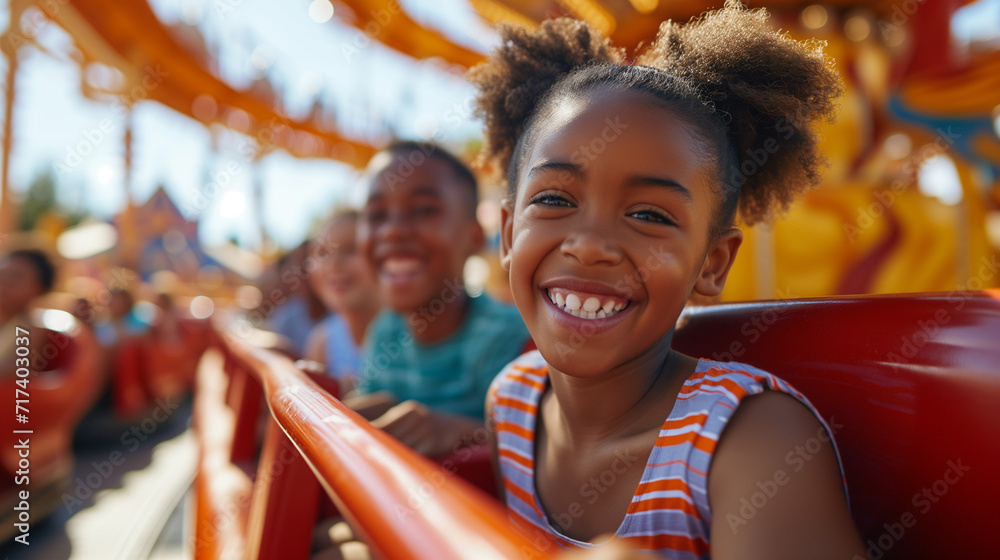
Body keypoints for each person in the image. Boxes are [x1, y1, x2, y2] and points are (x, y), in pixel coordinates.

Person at [470, 4, 865, 558]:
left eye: (650, 215)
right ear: (509, 236)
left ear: (712, 264)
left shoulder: (753, 442)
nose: (589, 244)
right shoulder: (509, 405)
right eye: (555, 199)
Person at [346, 141, 532, 459]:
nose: (392, 232)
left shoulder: (510, 340)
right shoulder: (385, 332)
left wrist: (456, 432)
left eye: (423, 210)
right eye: (376, 215)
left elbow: (539, 455)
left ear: (473, 238)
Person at [304, 210, 381, 395]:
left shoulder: (409, 333)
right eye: (322, 253)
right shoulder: (322, 342)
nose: (334, 263)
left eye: (351, 249)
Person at [0, 249, 56, 369]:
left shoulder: (32, 328)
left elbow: (8, 374)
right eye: (2, 275)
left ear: (39, 288)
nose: (3, 284)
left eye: (15, 278)